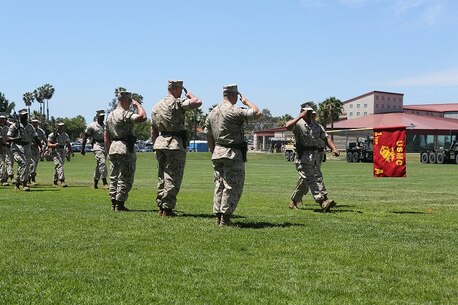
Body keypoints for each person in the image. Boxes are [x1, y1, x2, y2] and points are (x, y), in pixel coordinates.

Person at [205, 84, 262, 226]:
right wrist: (246, 102)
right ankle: (226, 217)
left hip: (218, 151)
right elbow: (257, 113)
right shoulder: (234, 110)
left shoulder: (212, 112)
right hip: (232, 152)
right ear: (234, 95)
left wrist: (213, 151)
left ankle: (218, 215)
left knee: (219, 184)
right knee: (232, 185)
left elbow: (208, 134)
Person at [151, 80, 202, 217]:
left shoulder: (156, 106)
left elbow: (153, 129)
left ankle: (161, 205)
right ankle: (167, 208)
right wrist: (190, 95)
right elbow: (198, 102)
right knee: (173, 176)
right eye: (181, 89)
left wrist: (154, 144)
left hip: (160, 143)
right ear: (177, 88)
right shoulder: (177, 103)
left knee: (162, 176)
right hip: (174, 143)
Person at [286, 105, 340, 212]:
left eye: (311, 112)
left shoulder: (316, 126)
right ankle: (322, 201)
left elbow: (326, 137)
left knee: (307, 180)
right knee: (311, 179)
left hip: (315, 156)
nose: (310, 113)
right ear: (302, 112)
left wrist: (334, 148)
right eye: (308, 112)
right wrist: (300, 116)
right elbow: (287, 126)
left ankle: (294, 201)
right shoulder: (298, 124)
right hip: (303, 156)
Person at [105, 91, 147, 211]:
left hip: (113, 147)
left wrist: (108, 150)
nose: (130, 103)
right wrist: (138, 105)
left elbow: (106, 135)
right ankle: (120, 204)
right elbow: (142, 117)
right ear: (124, 101)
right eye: (129, 101)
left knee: (114, 177)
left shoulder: (110, 115)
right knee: (125, 176)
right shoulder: (124, 114)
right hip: (124, 146)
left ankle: (114, 203)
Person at [7, 109, 42, 191]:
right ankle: (25, 183)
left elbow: (35, 137)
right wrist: (15, 139)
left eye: (26, 115)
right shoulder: (14, 126)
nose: (25, 116)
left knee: (24, 166)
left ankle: (17, 183)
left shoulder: (30, 126)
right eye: (23, 115)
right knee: (23, 163)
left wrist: (41, 146)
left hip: (27, 147)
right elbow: (8, 138)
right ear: (20, 116)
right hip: (17, 148)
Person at [82, 110, 109, 189]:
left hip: (105, 145)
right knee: (102, 162)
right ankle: (104, 182)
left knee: (99, 165)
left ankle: (95, 182)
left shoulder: (106, 125)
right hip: (96, 145)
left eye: (103, 116)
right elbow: (85, 137)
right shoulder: (92, 126)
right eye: (101, 116)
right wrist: (82, 149)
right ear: (97, 116)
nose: (102, 118)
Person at [48, 122, 73, 187]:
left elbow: (68, 143)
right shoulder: (53, 134)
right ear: (57, 126)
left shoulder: (65, 135)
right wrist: (54, 145)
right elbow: (48, 144)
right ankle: (62, 180)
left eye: (62, 126)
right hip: (55, 151)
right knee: (59, 165)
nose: (61, 127)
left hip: (63, 151)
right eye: (60, 126)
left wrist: (71, 151)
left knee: (58, 166)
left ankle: (55, 181)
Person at [29, 118, 47, 185]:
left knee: (35, 163)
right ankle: (30, 178)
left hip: (37, 149)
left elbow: (45, 139)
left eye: (36, 122)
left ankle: (31, 177)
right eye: (33, 122)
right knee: (32, 163)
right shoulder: (28, 130)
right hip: (30, 148)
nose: (35, 124)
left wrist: (45, 147)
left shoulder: (41, 131)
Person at [0, 114, 14, 185]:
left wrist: (9, 143)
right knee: (2, 164)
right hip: (1, 148)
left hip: (7, 148)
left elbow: (10, 136)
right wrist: (5, 143)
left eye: (3, 118)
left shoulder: (7, 128)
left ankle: (5, 179)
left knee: (9, 162)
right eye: (1, 118)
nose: (2, 120)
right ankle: (2, 179)